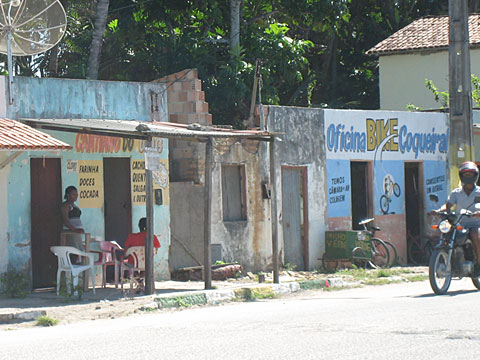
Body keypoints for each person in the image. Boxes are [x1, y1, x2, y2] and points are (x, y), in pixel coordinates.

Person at [431, 161, 480, 276]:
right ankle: (452, 262)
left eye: (470, 174)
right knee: (447, 233)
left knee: (474, 234)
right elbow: (448, 205)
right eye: (466, 174)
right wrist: (439, 211)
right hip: (460, 223)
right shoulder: (456, 192)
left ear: (475, 175)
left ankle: (478, 263)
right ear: (461, 176)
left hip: (476, 224)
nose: (468, 176)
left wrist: (478, 213)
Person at [60, 185, 85, 251]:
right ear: (68, 195)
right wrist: (75, 230)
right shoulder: (65, 206)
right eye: (73, 194)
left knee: (77, 252)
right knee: (72, 251)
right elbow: (66, 222)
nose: (76, 196)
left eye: (76, 194)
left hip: (76, 233)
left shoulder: (74, 205)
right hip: (70, 233)